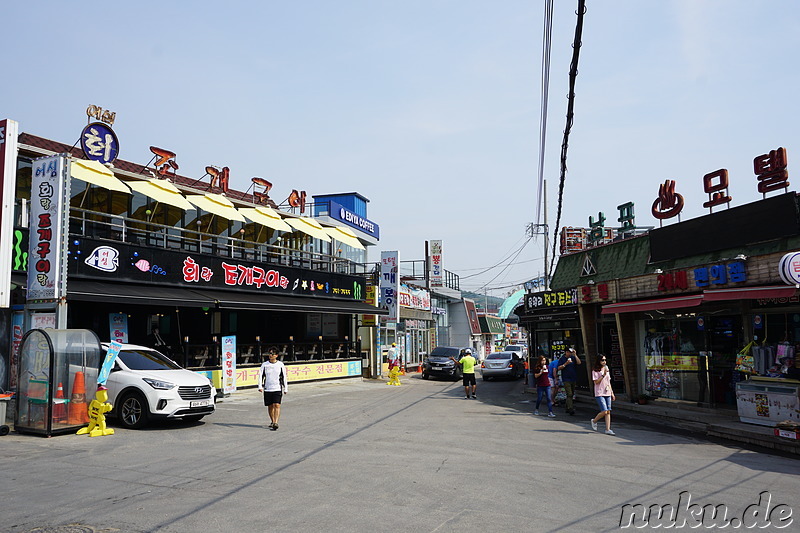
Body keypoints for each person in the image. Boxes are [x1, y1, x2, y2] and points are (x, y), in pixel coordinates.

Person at [257, 349, 288, 430]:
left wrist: (286, 388)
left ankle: (275, 422)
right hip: (267, 388)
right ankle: (272, 421)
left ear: (276, 355)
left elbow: (284, 376)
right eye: (270, 353)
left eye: (273, 354)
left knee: (277, 405)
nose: (271, 355)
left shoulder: (280, 364)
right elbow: (261, 376)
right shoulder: (265, 365)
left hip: (277, 388)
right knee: (270, 406)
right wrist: (260, 386)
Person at [590, 354, 615, 435]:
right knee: (604, 411)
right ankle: (594, 421)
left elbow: (608, 382)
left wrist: (612, 393)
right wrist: (603, 374)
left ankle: (608, 429)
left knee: (608, 411)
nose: (604, 362)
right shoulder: (595, 370)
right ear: (599, 361)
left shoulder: (606, 369)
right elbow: (596, 382)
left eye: (605, 360)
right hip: (599, 392)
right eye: (602, 360)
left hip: (607, 391)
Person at [557, 347, 582, 415]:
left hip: (573, 378)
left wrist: (575, 355)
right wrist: (566, 363)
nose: (569, 353)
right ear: (565, 352)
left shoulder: (573, 358)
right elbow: (559, 367)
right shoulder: (562, 359)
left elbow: (579, 362)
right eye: (568, 352)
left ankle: (567, 407)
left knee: (571, 393)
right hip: (566, 378)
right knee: (569, 393)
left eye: (570, 352)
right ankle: (570, 408)